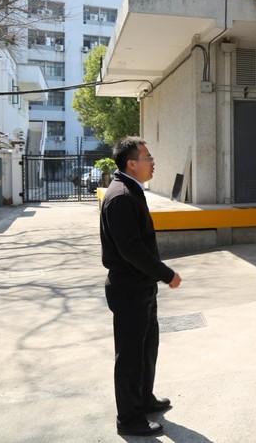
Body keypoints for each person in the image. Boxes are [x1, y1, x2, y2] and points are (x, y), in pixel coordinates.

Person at [100, 136, 182, 437]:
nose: (153, 162)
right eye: (148, 157)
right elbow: (131, 249)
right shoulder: (121, 196)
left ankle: (144, 399)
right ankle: (129, 418)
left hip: (142, 286)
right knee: (131, 356)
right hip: (129, 289)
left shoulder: (131, 189)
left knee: (147, 348)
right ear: (131, 164)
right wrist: (166, 273)